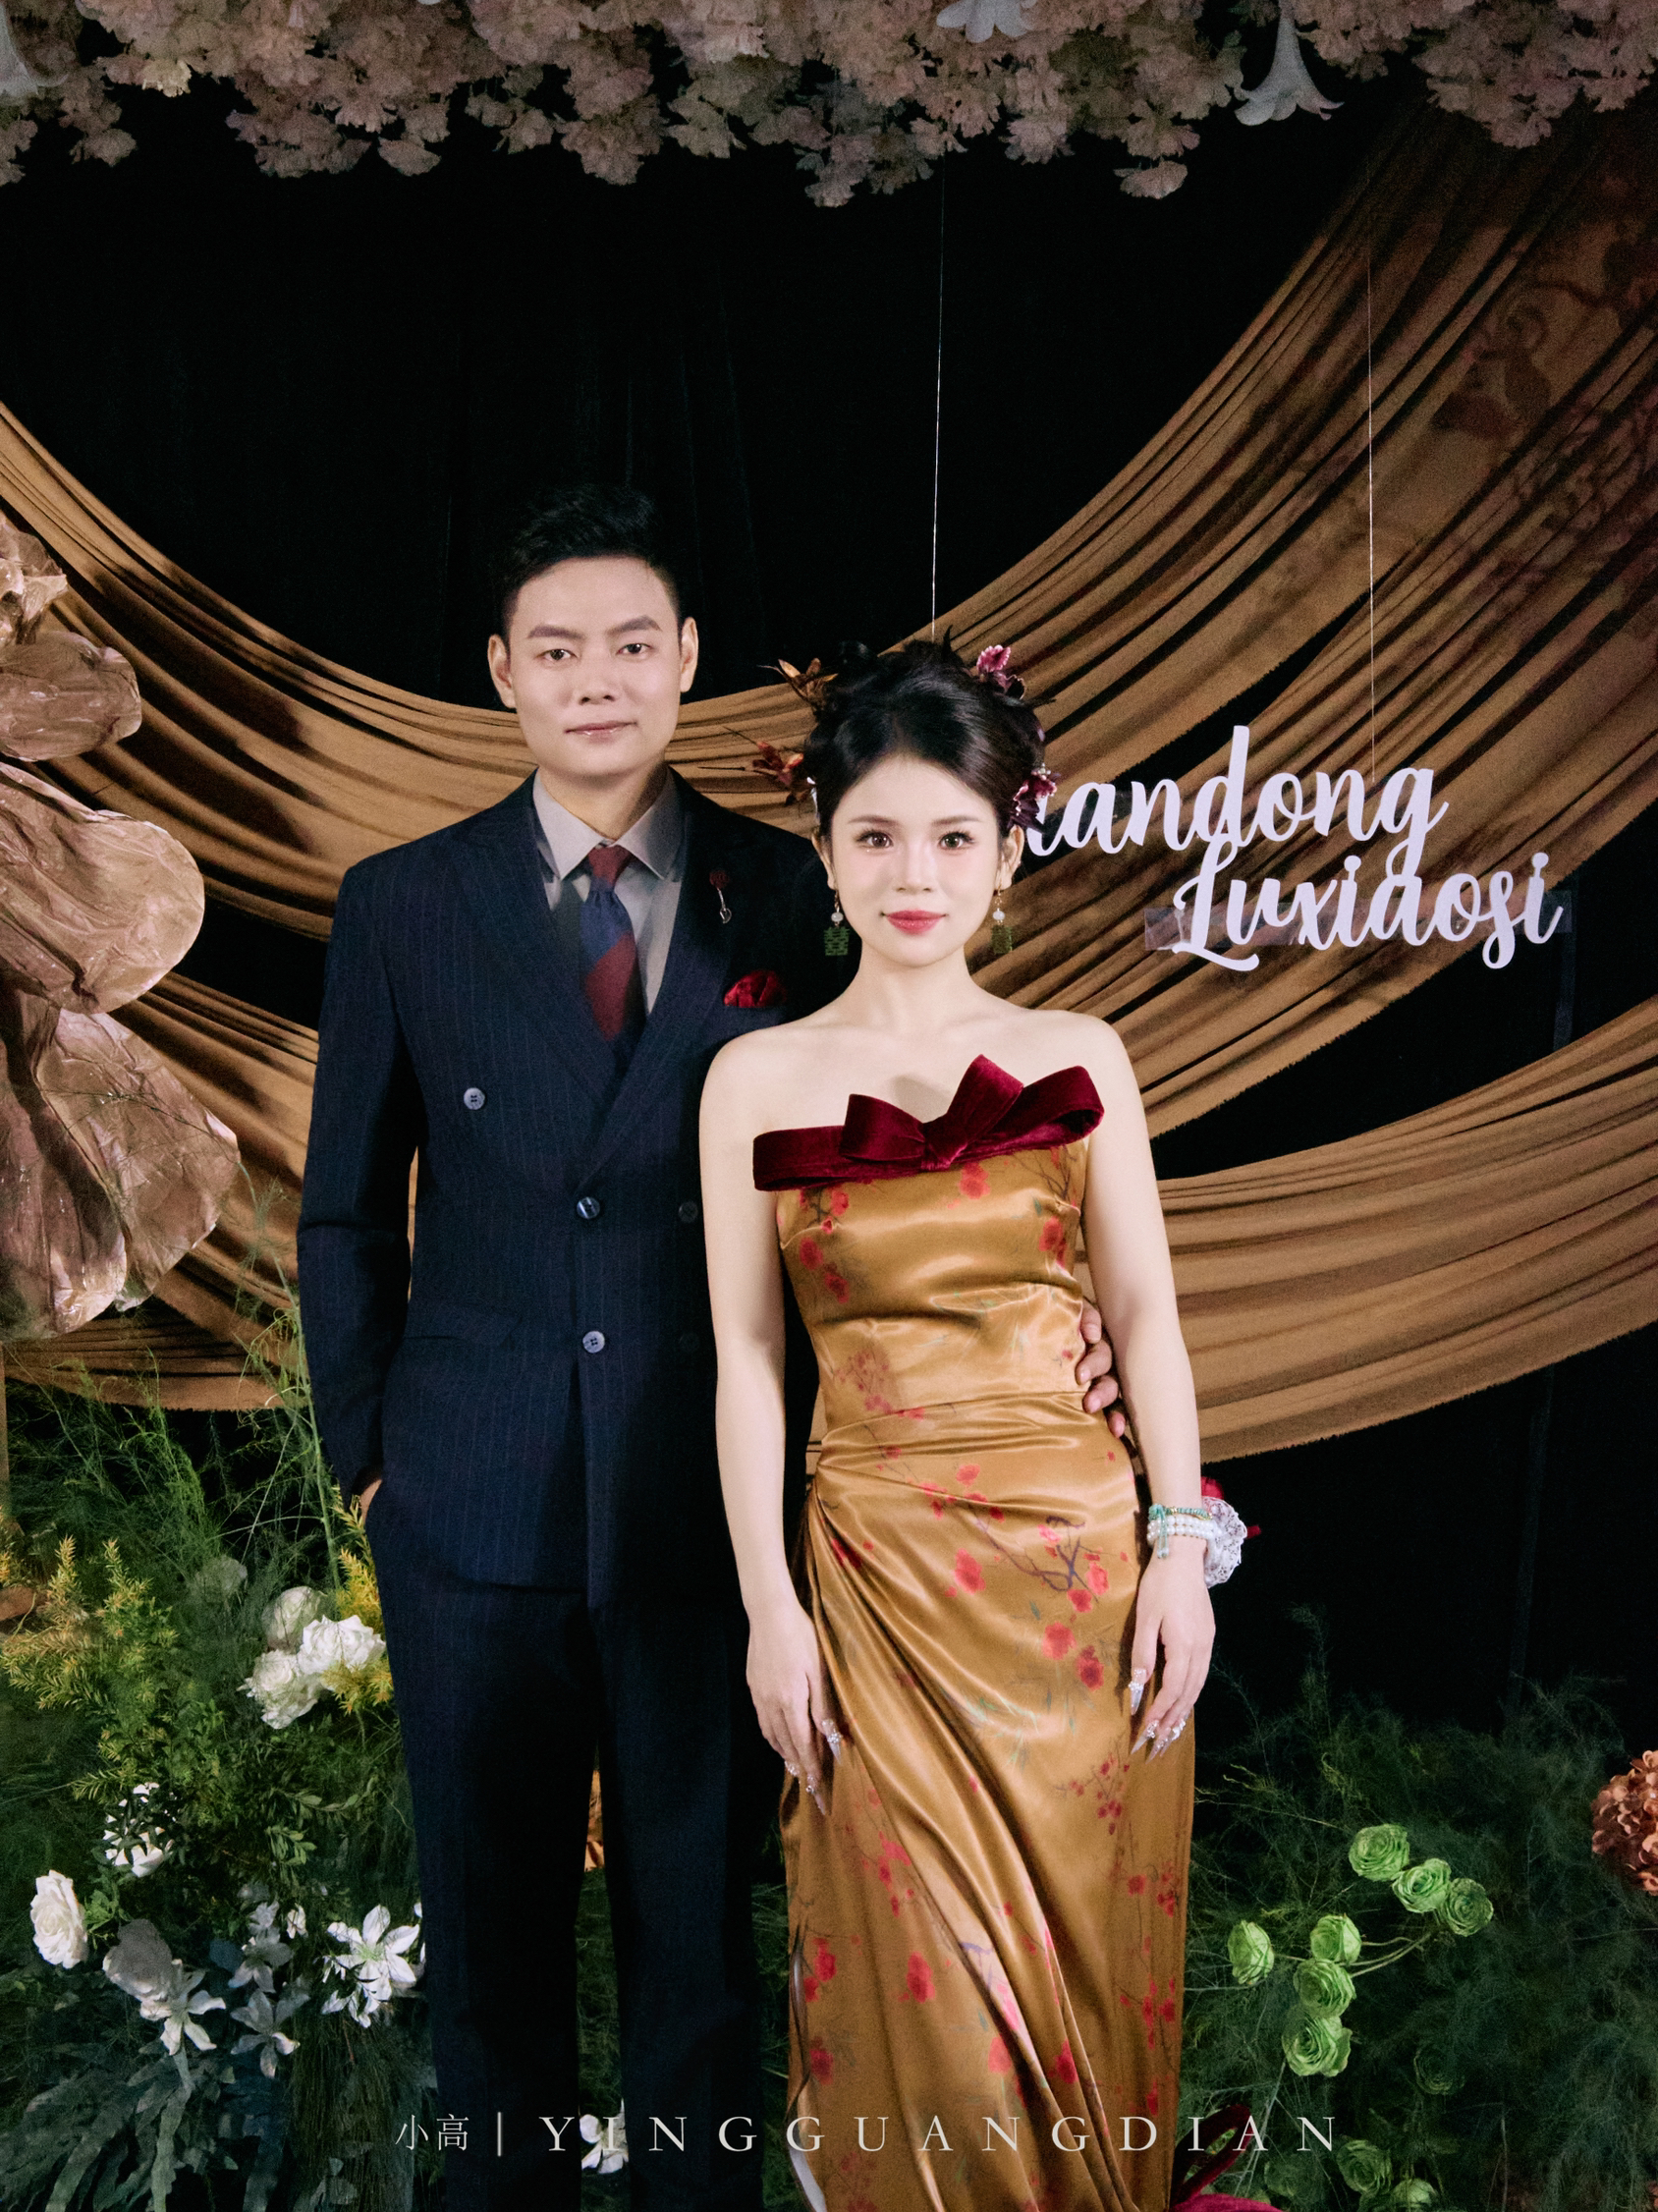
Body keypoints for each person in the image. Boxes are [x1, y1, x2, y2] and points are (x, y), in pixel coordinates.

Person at [297, 486, 1126, 2212]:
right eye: (555, 651)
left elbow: (920, 1142)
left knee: (703, 1963)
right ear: (502, 674)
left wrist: (1050, 1337)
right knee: (490, 1967)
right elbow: (346, 1215)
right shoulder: (403, 903)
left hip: (715, 1507)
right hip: (471, 1507)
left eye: (629, 644)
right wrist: (372, 1461)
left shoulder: (803, 885)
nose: (593, 681)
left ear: (685, 660)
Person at [699, 639, 1219, 2212]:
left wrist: (1180, 1553)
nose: (912, 874)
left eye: (951, 837)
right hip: (875, 1588)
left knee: (1083, 1999)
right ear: (826, 850)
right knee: (914, 2002)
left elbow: (1147, 1319)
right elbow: (744, 1358)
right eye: (876, 836)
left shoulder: (1083, 1056)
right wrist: (769, 1609)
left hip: (1082, 1594)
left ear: (1006, 856)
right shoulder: (751, 1080)